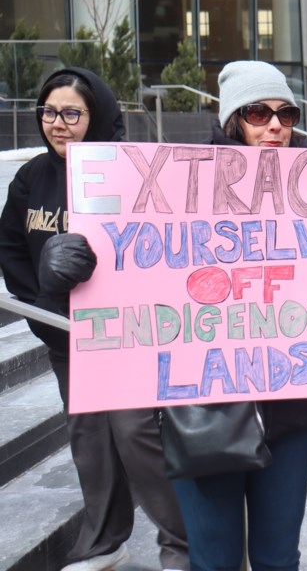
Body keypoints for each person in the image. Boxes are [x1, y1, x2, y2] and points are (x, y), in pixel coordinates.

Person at [0, 68, 189, 571]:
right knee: (88, 440)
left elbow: (160, 251)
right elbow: (12, 250)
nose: (56, 124)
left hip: (124, 335)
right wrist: (44, 300)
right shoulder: (30, 178)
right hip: (65, 336)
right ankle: (104, 541)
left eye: (70, 113)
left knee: (135, 433)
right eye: (48, 112)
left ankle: (182, 543)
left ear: (97, 115)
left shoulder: (132, 172)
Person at [171, 60, 307, 571]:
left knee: (279, 558)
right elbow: (139, 263)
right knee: (213, 561)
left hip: (290, 404)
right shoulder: (178, 185)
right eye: (259, 112)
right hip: (205, 408)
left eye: (286, 113)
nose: (275, 125)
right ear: (233, 119)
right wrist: (77, 263)